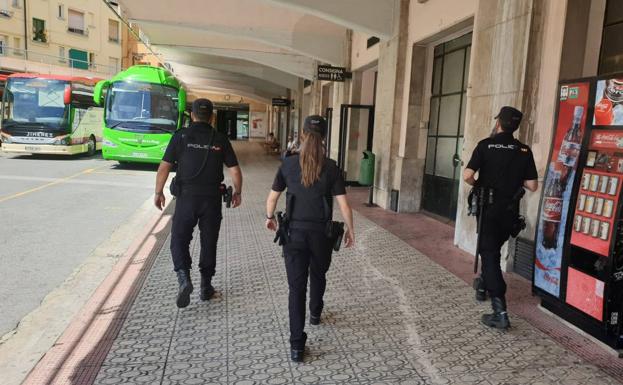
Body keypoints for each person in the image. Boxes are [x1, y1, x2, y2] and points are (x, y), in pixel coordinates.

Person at [265, 115, 355, 362]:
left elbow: (272, 198)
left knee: (296, 288)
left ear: (302, 135)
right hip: (321, 234)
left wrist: (269, 217)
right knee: (318, 273)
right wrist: (350, 230)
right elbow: (344, 205)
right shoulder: (332, 166)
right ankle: (315, 313)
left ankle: (296, 345)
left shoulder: (288, 164)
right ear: (324, 137)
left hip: (293, 233)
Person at [154, 98, 243, 308]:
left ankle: (184, 278)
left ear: (192, 115)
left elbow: (164, 167)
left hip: (186, 198)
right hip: (211, 199)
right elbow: (235, 170)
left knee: (179, 239)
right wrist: (238, 192)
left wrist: (158, 192)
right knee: (208, 241)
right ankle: (205, 286)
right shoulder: (220, 139)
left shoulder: (180, 136)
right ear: (212, 117)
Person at [463, 106, 538, 330]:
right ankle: (484, 285)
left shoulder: (485, 145)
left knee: (489, 254)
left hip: (488, 211)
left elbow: (467, 175)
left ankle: (500, 311)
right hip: (509, 212)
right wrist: (513, 181)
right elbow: (532, 185)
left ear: (498, 123)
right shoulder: (523, 150)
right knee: (494, 248)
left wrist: (480, 186)